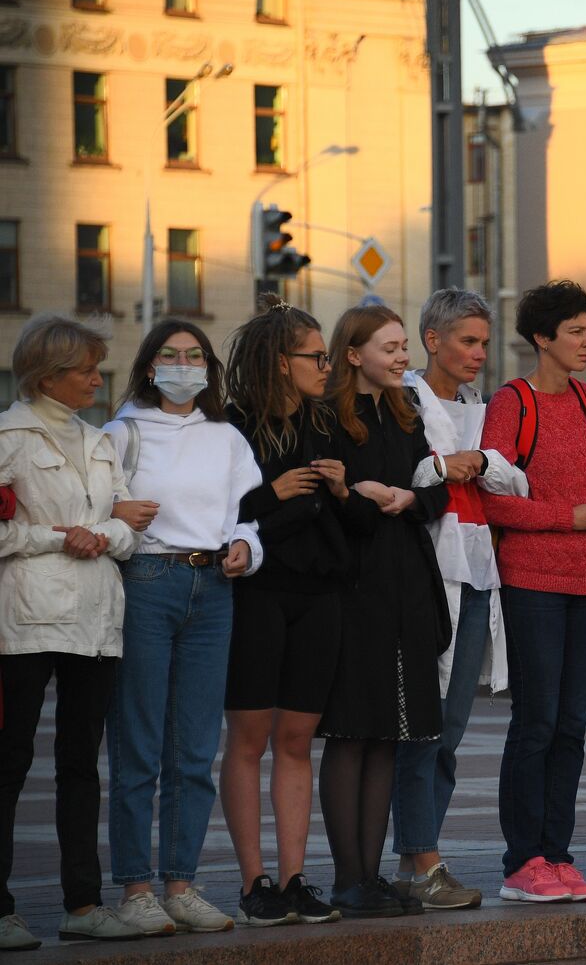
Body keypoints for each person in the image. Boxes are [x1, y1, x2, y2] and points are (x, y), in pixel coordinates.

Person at [103, 321, 264, 936]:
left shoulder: (225, 435)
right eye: (170, 355)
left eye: (195, 355)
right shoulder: (124, 432)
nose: (183, 365)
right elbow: (93, 505)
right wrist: (116, 512)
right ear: (149, 366)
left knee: (196, 749)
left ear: (209, 368)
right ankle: (136, 888)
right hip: (145, 582)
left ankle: (180, 883)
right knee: (139, 744)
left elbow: (245, 516)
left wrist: (246, 549)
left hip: (213, 588)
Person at [479, 280, 586, 903]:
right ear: (542, 338)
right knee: (536, 723)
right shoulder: (513, 403)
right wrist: (563, 517)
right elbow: (493, 501)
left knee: (573, 725)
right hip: (533, 581)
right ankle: (523, 863)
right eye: (576, 331)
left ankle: (560, 856)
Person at [0, 316, 142, 948]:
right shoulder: (9, 436)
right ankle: (1, 907)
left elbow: (127, 524)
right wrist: (60, 535)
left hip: (95, 618)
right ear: (46, 375)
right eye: (84, 368)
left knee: (82, 766)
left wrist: (104, 534)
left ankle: (83, 903)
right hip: (27, 616)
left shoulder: (98, 440)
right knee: (9, 761)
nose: (95, 377)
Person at [315, 303, 452, 918]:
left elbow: (437, 491)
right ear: (353, 354)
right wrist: (371, 499)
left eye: (403, 347)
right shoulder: (329, 418)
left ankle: (370, 877)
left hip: (406, 586)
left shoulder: (405, 411)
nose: (401, 357)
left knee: (389, 738)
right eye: (389, 347)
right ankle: (349, 877)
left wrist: (401, 497)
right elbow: (338, 507)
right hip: (355, 590)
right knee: (351, 733)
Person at [391, 289, 523, 910]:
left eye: (484, 343)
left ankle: (418, 857)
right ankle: (422, 858)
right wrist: (451, 466)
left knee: (451, 728)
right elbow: (407, 478)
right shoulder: (406, 403)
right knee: (420, 726)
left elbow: (513, 476)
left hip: (477, 575)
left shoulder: (483, 406)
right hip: (425, 577)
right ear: (432, 339)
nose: (478, 354)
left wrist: (479, 464)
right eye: (467, 341)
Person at [219, 295, 348, 927]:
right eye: (315, 357)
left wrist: (345, 491)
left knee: (296, 741)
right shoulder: (234, 425)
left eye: (327, 355)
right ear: (278, 361)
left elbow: (350, 523)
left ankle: (295, 878)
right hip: (258, 593)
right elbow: (218, 514)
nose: (326, 366)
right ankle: (255, 881)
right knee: (248, 739)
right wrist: (271, 494)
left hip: (320, 594)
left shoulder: (327, 424)